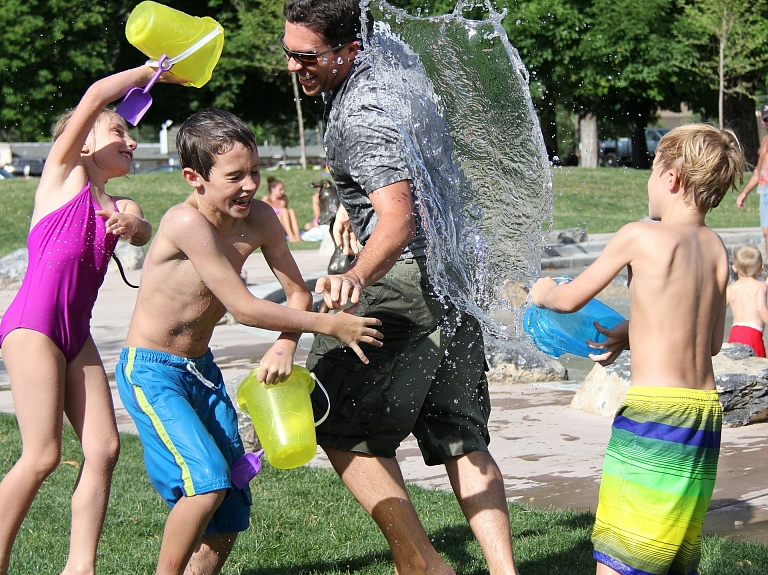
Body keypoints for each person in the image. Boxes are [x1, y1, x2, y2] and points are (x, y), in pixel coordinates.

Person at [282, 1, 520, 573]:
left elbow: (398, 219)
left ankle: (421, 563)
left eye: (306, 56)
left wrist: (356, 273)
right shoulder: (394, 64)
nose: (293, 66)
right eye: (288, 52)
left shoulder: (362, 110)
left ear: (348, 51)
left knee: (329, 414)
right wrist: (348, 205)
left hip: (401, 279)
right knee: (459, 434)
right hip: (454, 275)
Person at [115, 109, 382, 575]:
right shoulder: (185, 223)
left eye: (255, 172)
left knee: (232, 501)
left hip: (201, 369)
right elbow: (242, 307)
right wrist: (331, 326)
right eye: (235, 176)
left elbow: (298, 291)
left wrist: (287, 343)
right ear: (194, 178)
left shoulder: (259, 218)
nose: (250, 186)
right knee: (207, 481)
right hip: (153, 371)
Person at [530, 123, 744, 575]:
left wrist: (543, 291)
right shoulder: (717, 248)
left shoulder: (640, 235)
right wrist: (632, 330)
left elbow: (569, 299)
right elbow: (709, 342)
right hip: (703, 416)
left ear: (671, 179)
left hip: (656, 415)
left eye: (651, 170)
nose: (648, 181)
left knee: (622, 555)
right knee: (669, 552)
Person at [0, 65, 173, 574]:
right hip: (34, 326)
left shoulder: (120, 202)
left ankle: (80, 568)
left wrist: (134, 224)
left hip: (76, 334)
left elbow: (141, 231)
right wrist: (154, 71)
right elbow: (97, 93)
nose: (131, 142)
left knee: (103, 446)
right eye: (118, 131)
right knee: (43, 455)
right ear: (81, 143)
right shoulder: (63, 176)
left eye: (130, 134)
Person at [736, 104, 768, 254]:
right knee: (766, 232)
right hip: (764, 190)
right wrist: (744, 193)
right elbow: (758, 172)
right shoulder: (765, 141)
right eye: (767, 119)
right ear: (762, 121)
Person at [726, 244, 768, 357]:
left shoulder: (730, 289)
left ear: (734, 267)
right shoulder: (760, 287)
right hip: (753, 335)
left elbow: (718, 311)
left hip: (734, 334)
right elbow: (761, 309)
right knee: (758, 371)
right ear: (761, 268)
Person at [261, 175, 302, 242]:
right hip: (272, 225)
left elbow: (287, 217)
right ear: (273, 189)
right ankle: (291, 237)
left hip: (283, 226)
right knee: (284, 211)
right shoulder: (266, 199)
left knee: (291, 211)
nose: (282, 192)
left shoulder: (283, 199)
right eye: (280, 189)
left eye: (283, 189)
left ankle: (297, 237)